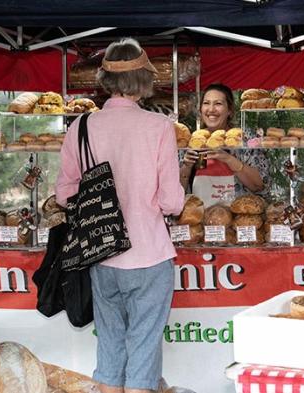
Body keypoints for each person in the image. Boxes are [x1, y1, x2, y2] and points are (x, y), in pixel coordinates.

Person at [55, 38, 185, 393]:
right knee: (143, 352)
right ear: (144, 80)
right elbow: (171, 201)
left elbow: (65, 195)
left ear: (104, 79)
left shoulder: (80, 127)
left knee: (110, 350)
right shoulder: (160, 127)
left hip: (102, 255)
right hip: (149, 255)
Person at [179, 84, 266, 206]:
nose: (211, 109)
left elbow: (259, 186)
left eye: (218, 103)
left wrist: (228, 159)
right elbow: (175, 193)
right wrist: (187, 167)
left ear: (230, 110)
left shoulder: (244, 139)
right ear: (200, 109)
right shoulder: (192, 142)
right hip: (199, 219)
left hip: (239, 220)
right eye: (206, 103)